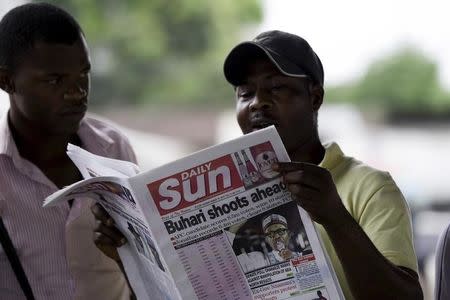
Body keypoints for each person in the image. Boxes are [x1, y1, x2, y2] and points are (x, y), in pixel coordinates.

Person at [223, 30, 423, 299]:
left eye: (276, 88)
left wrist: (335, 217)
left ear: (314, 98)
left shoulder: (370, 188)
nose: (258, 103)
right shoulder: (228, 194)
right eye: (246, 93)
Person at [0, 3, 136, 299]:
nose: (77, 92)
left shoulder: (114, 149)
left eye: (83, 74)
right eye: (55, 80)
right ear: (7, 80)